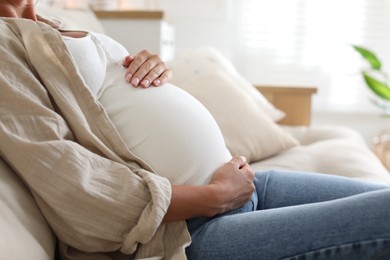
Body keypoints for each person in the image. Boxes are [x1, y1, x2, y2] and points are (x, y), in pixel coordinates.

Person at [0, 1, 390, 259]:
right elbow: (75, 190)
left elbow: (104, 100)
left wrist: (145, 65)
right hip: (191, 232)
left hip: (244, 186)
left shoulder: (48, 18)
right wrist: (212, 196)